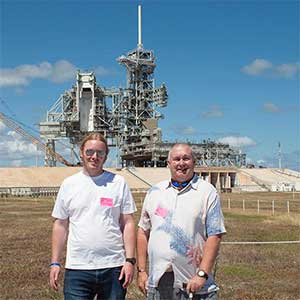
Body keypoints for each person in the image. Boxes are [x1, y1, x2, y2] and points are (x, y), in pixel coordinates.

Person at [49, 132, 137, 300]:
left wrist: (130, 260)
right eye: (89, 152)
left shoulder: (118, 183)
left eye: (100, 153)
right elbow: (60, 225)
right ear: (81, 152)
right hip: (78, 268)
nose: (94, 157)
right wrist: (55, 262)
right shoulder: (69, 185)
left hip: (113, 267)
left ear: (106, 156)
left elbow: (128, 223)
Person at [137, 144, 226, 300]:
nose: (181, 163)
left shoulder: (207, 192)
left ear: (194, 162)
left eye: (186, 158)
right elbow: (143, 231)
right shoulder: (155, 192)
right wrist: (142, 270)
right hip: (159, 280)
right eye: (176, 159)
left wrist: (201, 274)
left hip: (194, 283)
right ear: (169, 163)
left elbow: (215, 235)